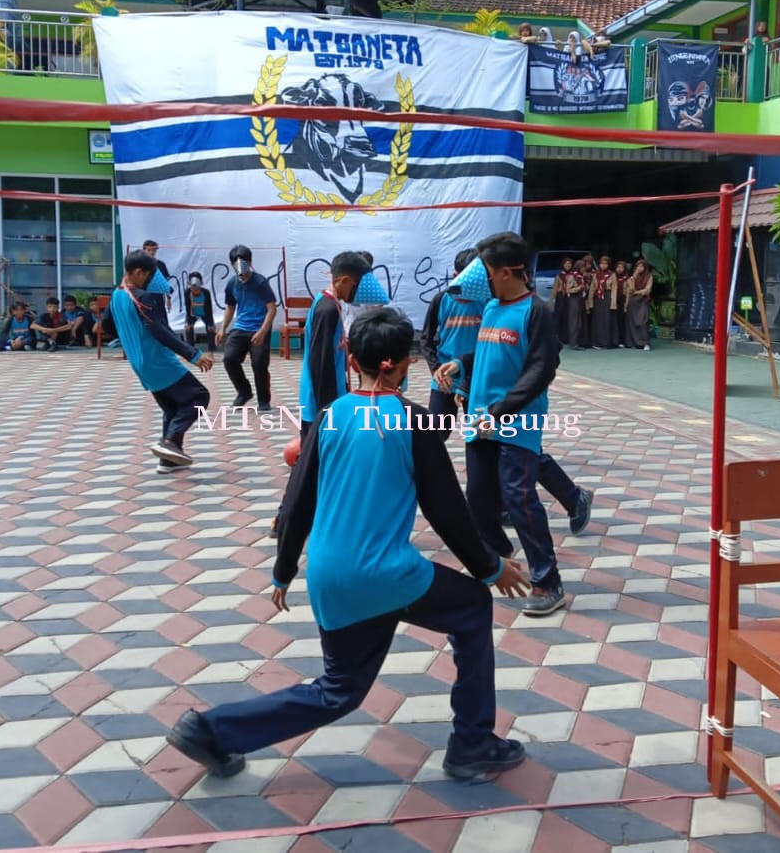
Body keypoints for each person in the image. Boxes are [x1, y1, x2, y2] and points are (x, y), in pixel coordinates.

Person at [166, 310, 531, 781]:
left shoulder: (329, 416)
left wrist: (283, 569)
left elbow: (297, 501)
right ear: (405, 364)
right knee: (474, 606)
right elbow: (447, 512)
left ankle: (209, 731)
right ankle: (473, 744)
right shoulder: (413, 422)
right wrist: (489, 568)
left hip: (329, 573)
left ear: (350, 357)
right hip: (388, 575)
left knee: (338, 690)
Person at [435, 232, 587, 617]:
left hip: (516, 422)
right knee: (479, 503)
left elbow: (542, 368)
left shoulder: (535, 311)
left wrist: (501, 410)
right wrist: (462, 365)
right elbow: (490, 349)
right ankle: (500, 562)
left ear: (503, 273)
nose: (478, 278)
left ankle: (547, 582)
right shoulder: (490, 308)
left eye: (483, 270)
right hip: (480, 419)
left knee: (519, 498)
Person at [108, 250, 214, 472]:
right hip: (158, 360)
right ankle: (170, 442)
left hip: (140, 364)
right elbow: (161, 331)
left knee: (173, 407)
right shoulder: (141, 298)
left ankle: (168, 460)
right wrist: (193, 354)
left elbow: (107, 326)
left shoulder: (117, 296)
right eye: (148, 276)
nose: (150, 281)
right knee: (199, 397)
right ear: (138, 273)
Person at [299, 251, 370, 438]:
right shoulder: (327, 310)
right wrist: (327, 410)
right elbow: (320, 362)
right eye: (357, 287)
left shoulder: (330, 303)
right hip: (320, 404)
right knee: (318, 462)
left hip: (329, 398)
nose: (358, 293)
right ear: (344, 280)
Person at [421, 249, 481, 440]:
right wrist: (436, 370)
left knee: (478, 434)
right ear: (456, 275)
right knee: (435, 434)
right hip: (445, 377)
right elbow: (426, 339)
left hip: (477, 376)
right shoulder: (441, 299)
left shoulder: (488, 301)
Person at [216, 245, 277, 413]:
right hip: (241, 327)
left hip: (260, 328)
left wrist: (262, 332)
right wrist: (222, 329)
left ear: (250, 262)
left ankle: (264, 400)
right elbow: (230, 307)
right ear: (231, 264)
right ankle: (244, 392)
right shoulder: (232, 283)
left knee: (259, 363)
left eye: (243, 262)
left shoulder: (260, 282)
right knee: (229, 359)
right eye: (235, 263)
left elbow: (272, 308)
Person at [183, 272, 216, 353]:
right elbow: (187, 307)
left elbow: (209, 308)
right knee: (188, 328)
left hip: (205, 313)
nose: (195, 291)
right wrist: (189, 322)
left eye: (197, 289)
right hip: (193, 313)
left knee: (211, 329)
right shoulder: (187, 292)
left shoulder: (206, 293)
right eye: (193, 289)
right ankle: (191, 350)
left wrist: (210, 323)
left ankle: (211, 350)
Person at [626, 259, 654, 351]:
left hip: (643, 301)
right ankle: (634, 343)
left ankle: (645, 343)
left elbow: (647, 290)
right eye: (638, 266)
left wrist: (637, 292)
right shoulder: (632, 277)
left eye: (642, 266)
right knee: (632, 322)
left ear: (645, 268)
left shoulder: (649, 276)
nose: (640, 268)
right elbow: (630, 289)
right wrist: (634, 276)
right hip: (633, 302)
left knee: (642, 322)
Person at [589, 255, 617, 349]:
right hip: (598, 298)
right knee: (597, 320)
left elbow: (614, 289)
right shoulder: (596, 274)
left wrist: (613, 303)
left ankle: (606, 342)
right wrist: (590, 302)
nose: (603, 265)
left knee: (606, 320)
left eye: (605, 264)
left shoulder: (612, 274)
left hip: (607, 298)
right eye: (601, 263)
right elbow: (592, 288)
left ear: (608, 265)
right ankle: (596, 342)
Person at [549, 257, 577, 349]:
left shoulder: (574, 275)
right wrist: (551, 300)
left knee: (569, 317)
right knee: (559, 316)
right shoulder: (559, 275)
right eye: (566, 264)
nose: (568, 265)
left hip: (570, 297)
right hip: (561, 297)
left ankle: (568, 337)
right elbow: (555, 288)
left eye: (569, 264)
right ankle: (559, 337)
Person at [141, 239, 173, 311]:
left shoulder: (160, 264)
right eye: (149, 250)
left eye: (154, 250)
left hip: (158, 297)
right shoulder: (139, 264)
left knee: (160, 319)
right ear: (144, 250)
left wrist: (168, 298)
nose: (152, 252)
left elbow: (165, 282)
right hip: (143, 297)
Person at [614, 260, 631, 348]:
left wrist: (626, 304)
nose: (619, 269)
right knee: (614, 321)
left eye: (621, 267)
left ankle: (622, 340)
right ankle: (615, 340)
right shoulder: (612, 277)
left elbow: (629, 291)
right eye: (618, 267)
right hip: (613, 302)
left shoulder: (627, 279)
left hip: (623, 301)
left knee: (622, 322)